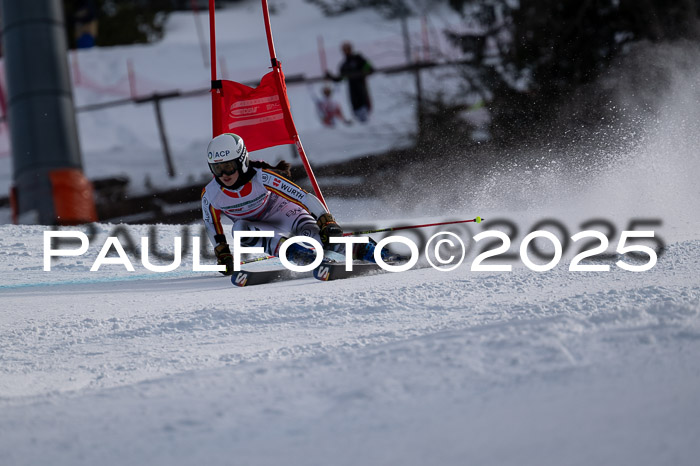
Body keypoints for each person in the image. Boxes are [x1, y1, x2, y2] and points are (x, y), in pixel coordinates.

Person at [201, 133, 387, 275]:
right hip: (261, 228)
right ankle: (298, 255)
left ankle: (368, 250)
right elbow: (211, 224)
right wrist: (222, 253)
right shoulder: (210, 194)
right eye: (217, 168)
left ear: (241, 161)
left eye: (228, 166)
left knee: (321, 240)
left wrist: (325, 220)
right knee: (240, 229)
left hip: (286, 214)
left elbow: (302, 196)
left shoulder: (262, 177)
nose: (224, 174)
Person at [326, 41, 374, 123]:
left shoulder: (358, 59)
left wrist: (363, 72)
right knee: (355, 101)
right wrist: (331, 77)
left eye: (347, 49)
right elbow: (340, 78)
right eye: (344, 50)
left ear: (351, 49)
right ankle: (358, 115)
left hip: (361, 85)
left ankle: (364, 113)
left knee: (362, 98)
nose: (346, 51)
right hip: (352, 88)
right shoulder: (344, 65)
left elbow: (370, 68)